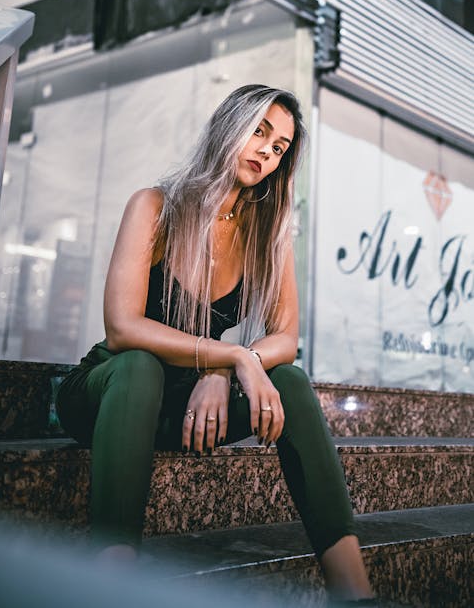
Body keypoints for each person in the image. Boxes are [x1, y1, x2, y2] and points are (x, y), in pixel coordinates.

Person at [56, 84, 375, 605]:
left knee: (290, 381)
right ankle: (110, 585)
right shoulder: (154, 206)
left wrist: (223, 372)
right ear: (230, 126)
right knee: (140, 366)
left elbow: (287, 341)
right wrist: (228, 355)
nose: (267, 153)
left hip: (184, 410)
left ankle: (355, 592)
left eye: (279, 148)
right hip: (111, 392)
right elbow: (122, 327)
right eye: (260, 132)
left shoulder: (265, 235)